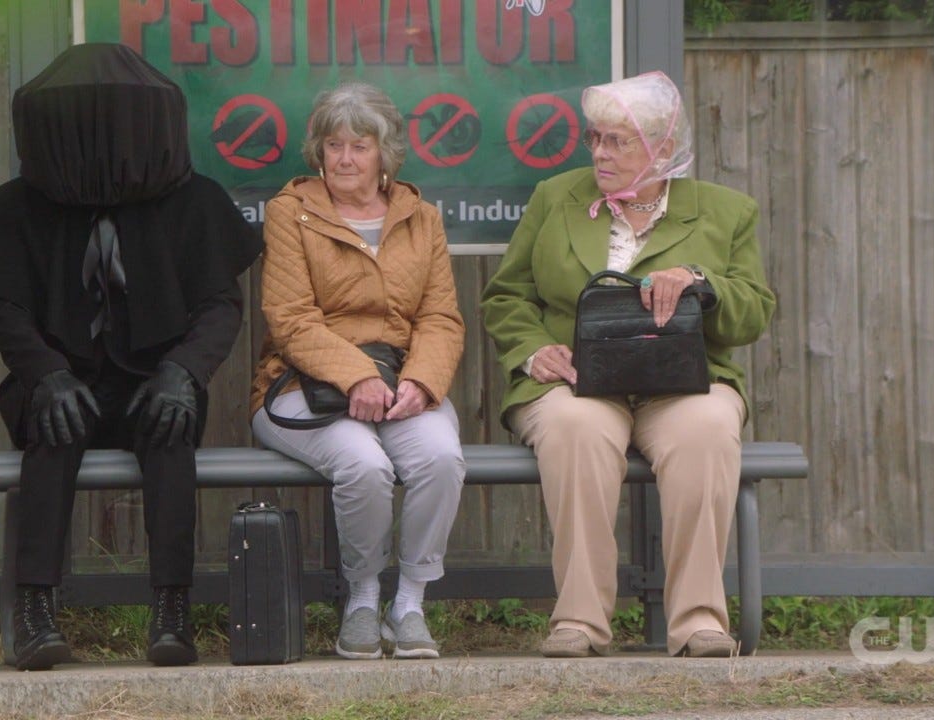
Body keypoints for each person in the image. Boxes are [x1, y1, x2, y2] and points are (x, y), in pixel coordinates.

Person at [0, 44, 262, 670]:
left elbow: (219, 307)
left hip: (154, 379)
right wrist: (46, 375)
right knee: (52, 430)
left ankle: (172, 609)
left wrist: (183, 372)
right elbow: (6, 310)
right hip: (60, 379)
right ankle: (35, 610)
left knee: (170, 433)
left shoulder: (193, 200)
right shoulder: (20, 205)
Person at [481, 71, 776, 658]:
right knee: (575, 428)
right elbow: (507, 296)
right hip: (580, 383)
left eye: (618, 140)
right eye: (595, 138)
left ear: (663, 149)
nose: (600, 152)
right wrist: (533, 349)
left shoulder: (726, 212)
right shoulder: (555, 198)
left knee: (708, 428)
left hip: (683, 382)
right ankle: (580, 622)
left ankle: (698, 621)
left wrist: (702, 283)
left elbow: (754, 312)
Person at [250, 82, 466, 660]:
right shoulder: (290, 212)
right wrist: (355, 377)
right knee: (365, 465)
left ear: (384, 152)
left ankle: (411, 602)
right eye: (333, 145)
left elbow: (441, 317)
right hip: (301, 387)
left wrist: (421, 382)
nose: (344, 159)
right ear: (318, 151)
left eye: (359, 146)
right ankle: (364, 598)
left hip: (400, 382)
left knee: (441, 457)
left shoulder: (421, 218)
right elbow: (290, 319)